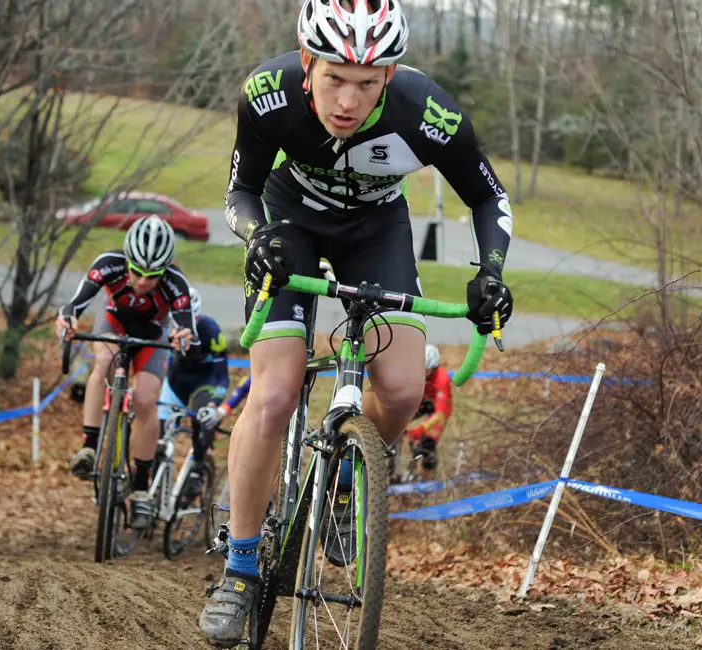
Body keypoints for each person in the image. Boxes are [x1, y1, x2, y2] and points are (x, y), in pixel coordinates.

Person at [199, 0, 514, 644]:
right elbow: (239, 192)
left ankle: (347, 480)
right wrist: (258, 236)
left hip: (377, 231)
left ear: (390, 78)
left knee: (402, 388)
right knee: (278, 390)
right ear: (307, 62)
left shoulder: (427, 111)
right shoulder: (269, 94)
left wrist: (492, 272)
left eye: (367, 83)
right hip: (291, 220)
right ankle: (239, 568)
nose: (348, 99)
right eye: (334, 77)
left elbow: (488, 195)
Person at [56, 215, 201, 531]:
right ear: (128, 260)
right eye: (137, 272)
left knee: (146, 399)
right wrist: (66, 320)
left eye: (153, 275)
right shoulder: (109, 263)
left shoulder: (176, 282)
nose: (143, 281)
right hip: (113, 325)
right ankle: (89, 448)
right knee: (103, 366)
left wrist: (182, 335)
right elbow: (74, 305)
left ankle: (139, 485)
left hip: (151, 337)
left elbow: (186, 324)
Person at [156, 287, 232, 497]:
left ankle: (198, 468)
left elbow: (222, 375)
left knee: (202, 416)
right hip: (176, 381)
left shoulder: (210, 329)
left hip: (205, 381)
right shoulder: (164, 329)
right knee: (159, 433)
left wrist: (214, 402)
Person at [401, 343, 451, 482]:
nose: (421, 373)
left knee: (427, 444)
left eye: (425, 370)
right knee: (397, 424)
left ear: (433, 368)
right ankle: (395, 466)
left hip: (439, 408)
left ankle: (427, 479)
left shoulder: (442, 378)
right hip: (423, 401)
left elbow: (440, 414)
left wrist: (419, 430)